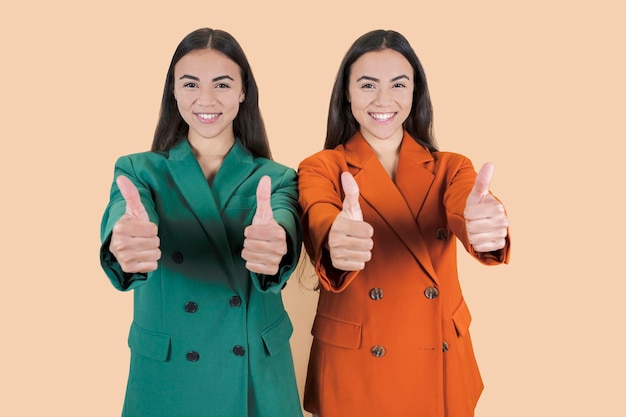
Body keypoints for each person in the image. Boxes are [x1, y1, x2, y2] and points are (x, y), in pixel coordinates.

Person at [297, 29, 511, 417]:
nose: (383, 100)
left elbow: (466, 203)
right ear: (346, 92)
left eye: (399, 84)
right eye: (367, 85)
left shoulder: (451, 167)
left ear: (416, 92)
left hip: (441, 364)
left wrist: (485, 220)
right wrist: (336, 239)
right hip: (357, 371)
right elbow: (319, 215)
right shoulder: (321, 167)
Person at [99, 28, 303, 417]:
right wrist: (123, 241)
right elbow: (123, 216)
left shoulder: (277, 177)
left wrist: (277, 244)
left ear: (243, 91)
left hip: (254, 375)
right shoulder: (137, 171)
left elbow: (285, 221)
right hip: (168, 374)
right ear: (173, 92)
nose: (206, 100)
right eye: (190, 84)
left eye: (222, 84)